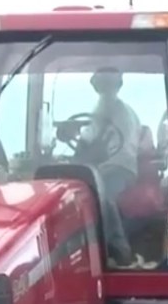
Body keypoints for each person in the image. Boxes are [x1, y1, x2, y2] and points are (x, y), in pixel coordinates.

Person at [57, 66, 143, 265]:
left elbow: (95, 140)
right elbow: (90, 135)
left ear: (116, 85)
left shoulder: (114, 108)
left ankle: (120, 252)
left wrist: (75, 137)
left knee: (102, 195)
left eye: (108, 82)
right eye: (101, 82)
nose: (103, 86)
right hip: (107, 165)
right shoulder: (105, 107)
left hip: (120, 167)